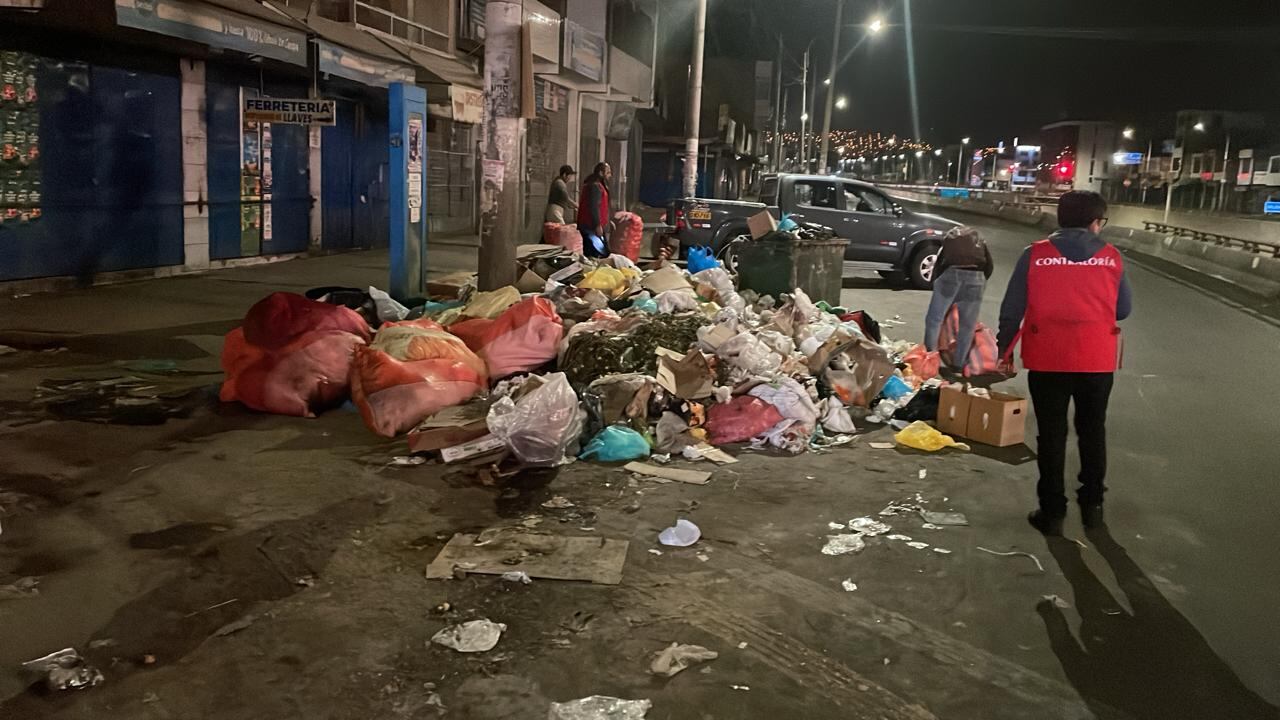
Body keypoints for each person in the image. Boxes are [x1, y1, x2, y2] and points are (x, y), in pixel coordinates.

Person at [997, 190, 1133, 535]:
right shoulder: (1112, 257)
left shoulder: (1034, 254)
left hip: (1047, 358)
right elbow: (1122, 310)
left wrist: (1004, 350)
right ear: (1095, 222)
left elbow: (1012, 309)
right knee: (1092, 430)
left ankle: (1052, 510)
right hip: (1096, 360)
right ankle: (1092, 505)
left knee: (1051, 434)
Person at [922, 226, 993, 370]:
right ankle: (958, 364)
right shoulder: (980, 242)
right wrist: (979, 281)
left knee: (934, 319)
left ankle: (930, 357)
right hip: (976, 278)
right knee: (967, 325)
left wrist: (936, 283)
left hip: (951, 276)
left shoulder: (949, 242)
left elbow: (939, 264)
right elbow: (989, 266)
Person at [576, 162, 612, 258]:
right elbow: (594, 206)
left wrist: (608, 221)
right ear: (601, 173)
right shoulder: (595, 186)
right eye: (608, 172)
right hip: (590, 226)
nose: (610, 175)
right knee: (600, 253)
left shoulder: (597, 185)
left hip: (592, 226)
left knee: (595, 252)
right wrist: (597, 225)